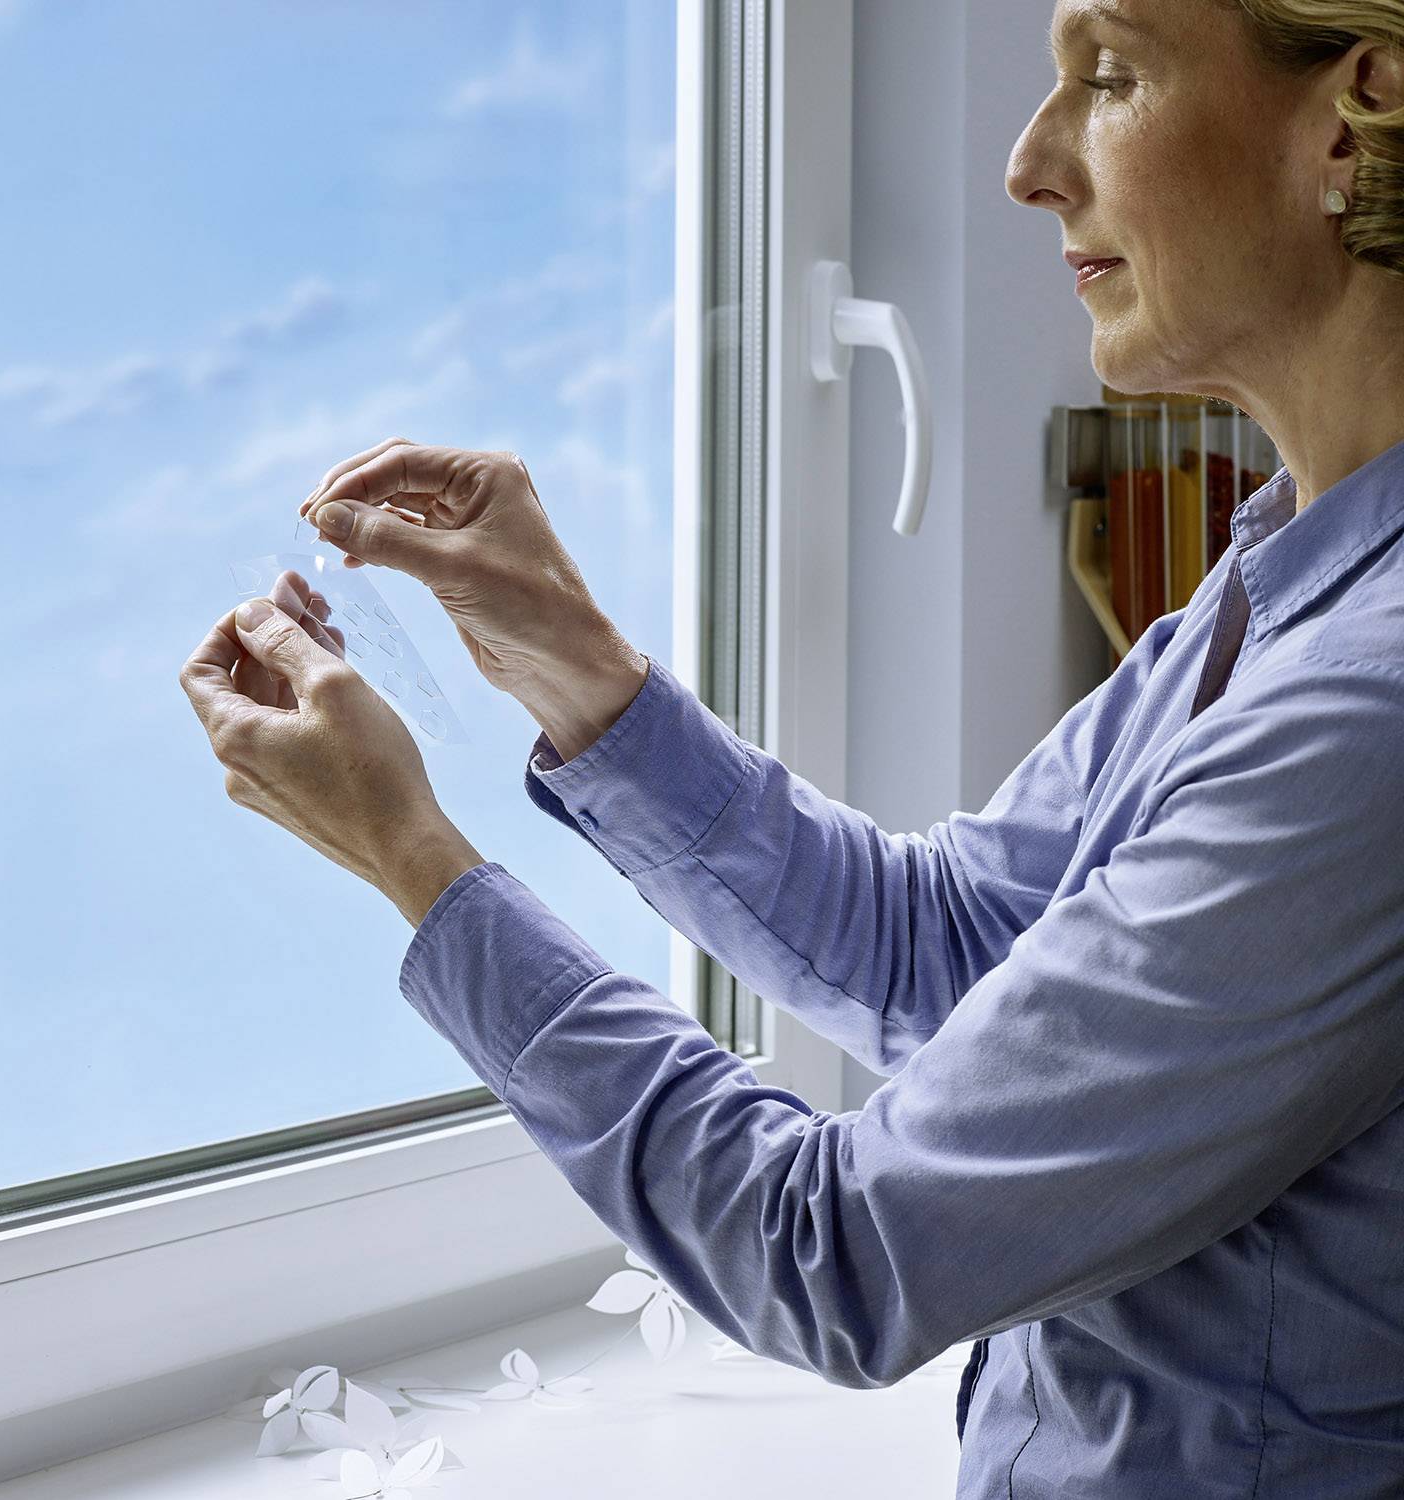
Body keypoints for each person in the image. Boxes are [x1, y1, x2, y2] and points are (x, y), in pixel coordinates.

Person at [179, 1, 1404, 1492]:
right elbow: (946, 953)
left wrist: (414, 861)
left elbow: (836, 1253)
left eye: (1110, 76)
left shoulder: (1363, 713)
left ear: (1357, 109)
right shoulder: (1279, 587)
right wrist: (580, 670)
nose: (1027, 165)